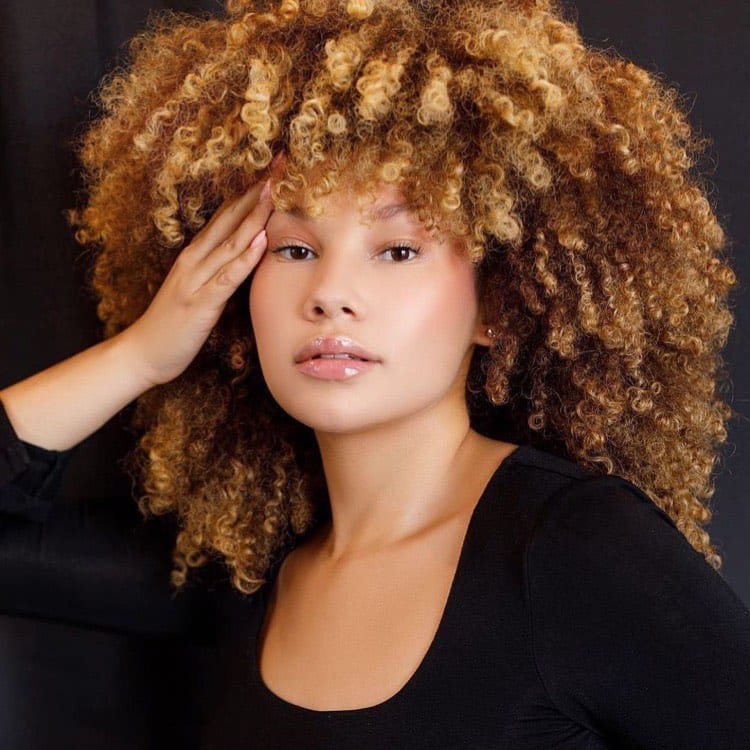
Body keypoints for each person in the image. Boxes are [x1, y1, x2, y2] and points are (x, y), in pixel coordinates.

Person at [1, 0, 749, 747]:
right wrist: (142, 353)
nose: (330, 293)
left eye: (397, 250)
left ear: (497, 303)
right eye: (295, 249)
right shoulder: (243, 575)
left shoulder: (575, 549)